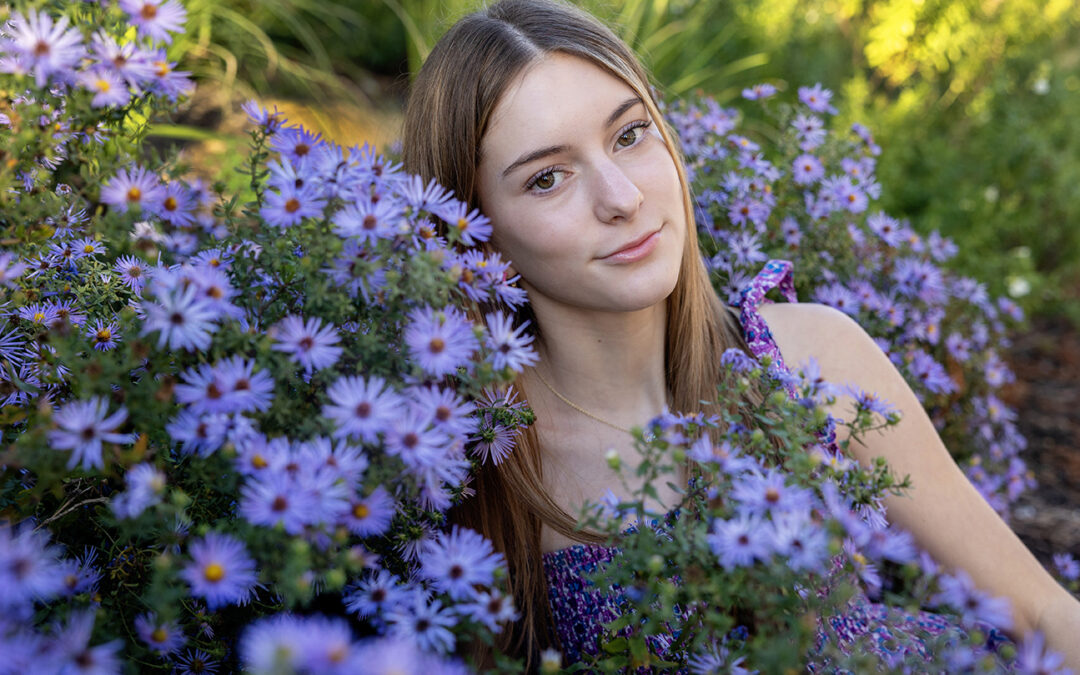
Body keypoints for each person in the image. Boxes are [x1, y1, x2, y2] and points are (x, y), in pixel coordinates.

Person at [401, 0, 1080, 670]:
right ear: (471, 228)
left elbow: (1042, 611)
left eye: (630, 135)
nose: (622, 197)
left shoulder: (808, 356)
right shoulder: (472, 461)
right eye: (547, 178)